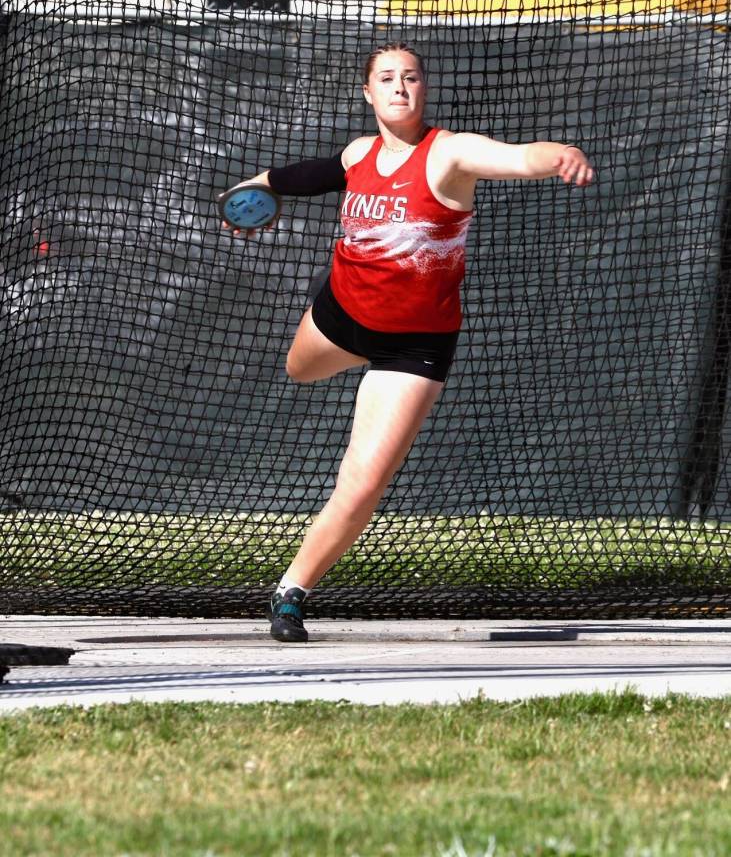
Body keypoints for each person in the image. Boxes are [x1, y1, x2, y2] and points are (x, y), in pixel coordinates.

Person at [222, 41, 594, 643]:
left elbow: (522, 156)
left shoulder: (449, 154)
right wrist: (257, 189)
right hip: (339, 319)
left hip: (412, 347)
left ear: (424, 89)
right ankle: (334, 296)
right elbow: (314, 173)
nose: (400, 87)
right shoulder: (359, 153)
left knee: (365, 481)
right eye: (387, 78)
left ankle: (291, 592)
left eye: (412, 77)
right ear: (368, 93)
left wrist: (563, 155)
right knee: (297, 370)